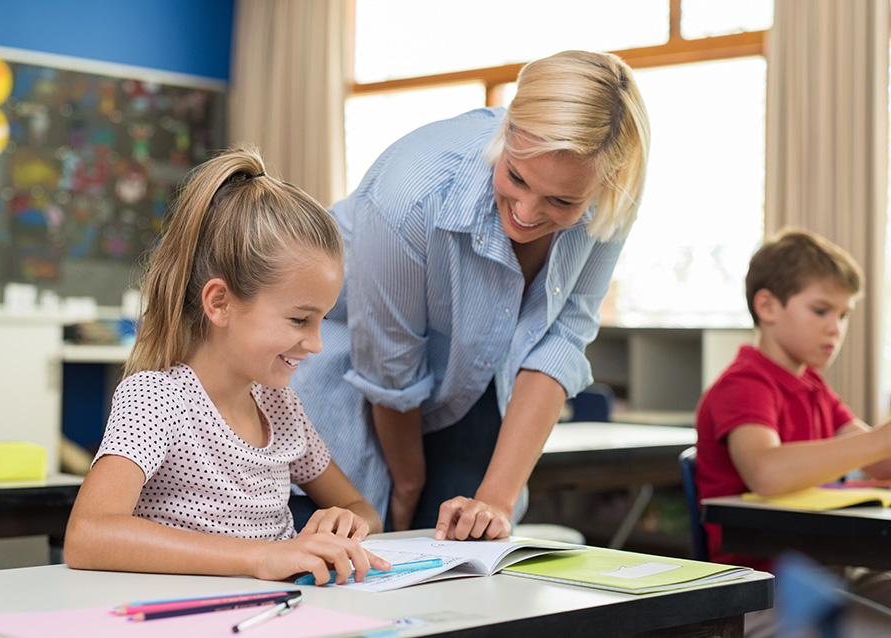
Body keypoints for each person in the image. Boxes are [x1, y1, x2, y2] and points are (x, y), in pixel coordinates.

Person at [290, 50, 651, 541]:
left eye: (561, 201)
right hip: (350, 362)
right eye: (517, 178)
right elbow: (390, 368)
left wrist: (496, 502)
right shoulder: (413, 191)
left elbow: (561, 340)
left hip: (467, 374)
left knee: (468, 548)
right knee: (352, 549)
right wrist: (407, 489)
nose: (525, 212)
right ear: (507, 135)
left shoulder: (609, 195)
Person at [64, 145, 388, 586]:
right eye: (299, 319)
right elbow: (87, 536)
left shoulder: (281, 407)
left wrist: (347, 523)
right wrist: (260, 558)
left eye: (322, 321)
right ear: (220, 303)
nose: (315, 343)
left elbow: (362, 508)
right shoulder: (158, 400)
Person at [695, 228, 891, 637]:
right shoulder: (744, 384)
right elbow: (767, 473)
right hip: (761, 588)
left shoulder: (814, 386)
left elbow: (877, 462)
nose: (835, 328)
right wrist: (878, 439)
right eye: (821, 310)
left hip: (826, 569)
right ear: (767, 305)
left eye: (843, 315)